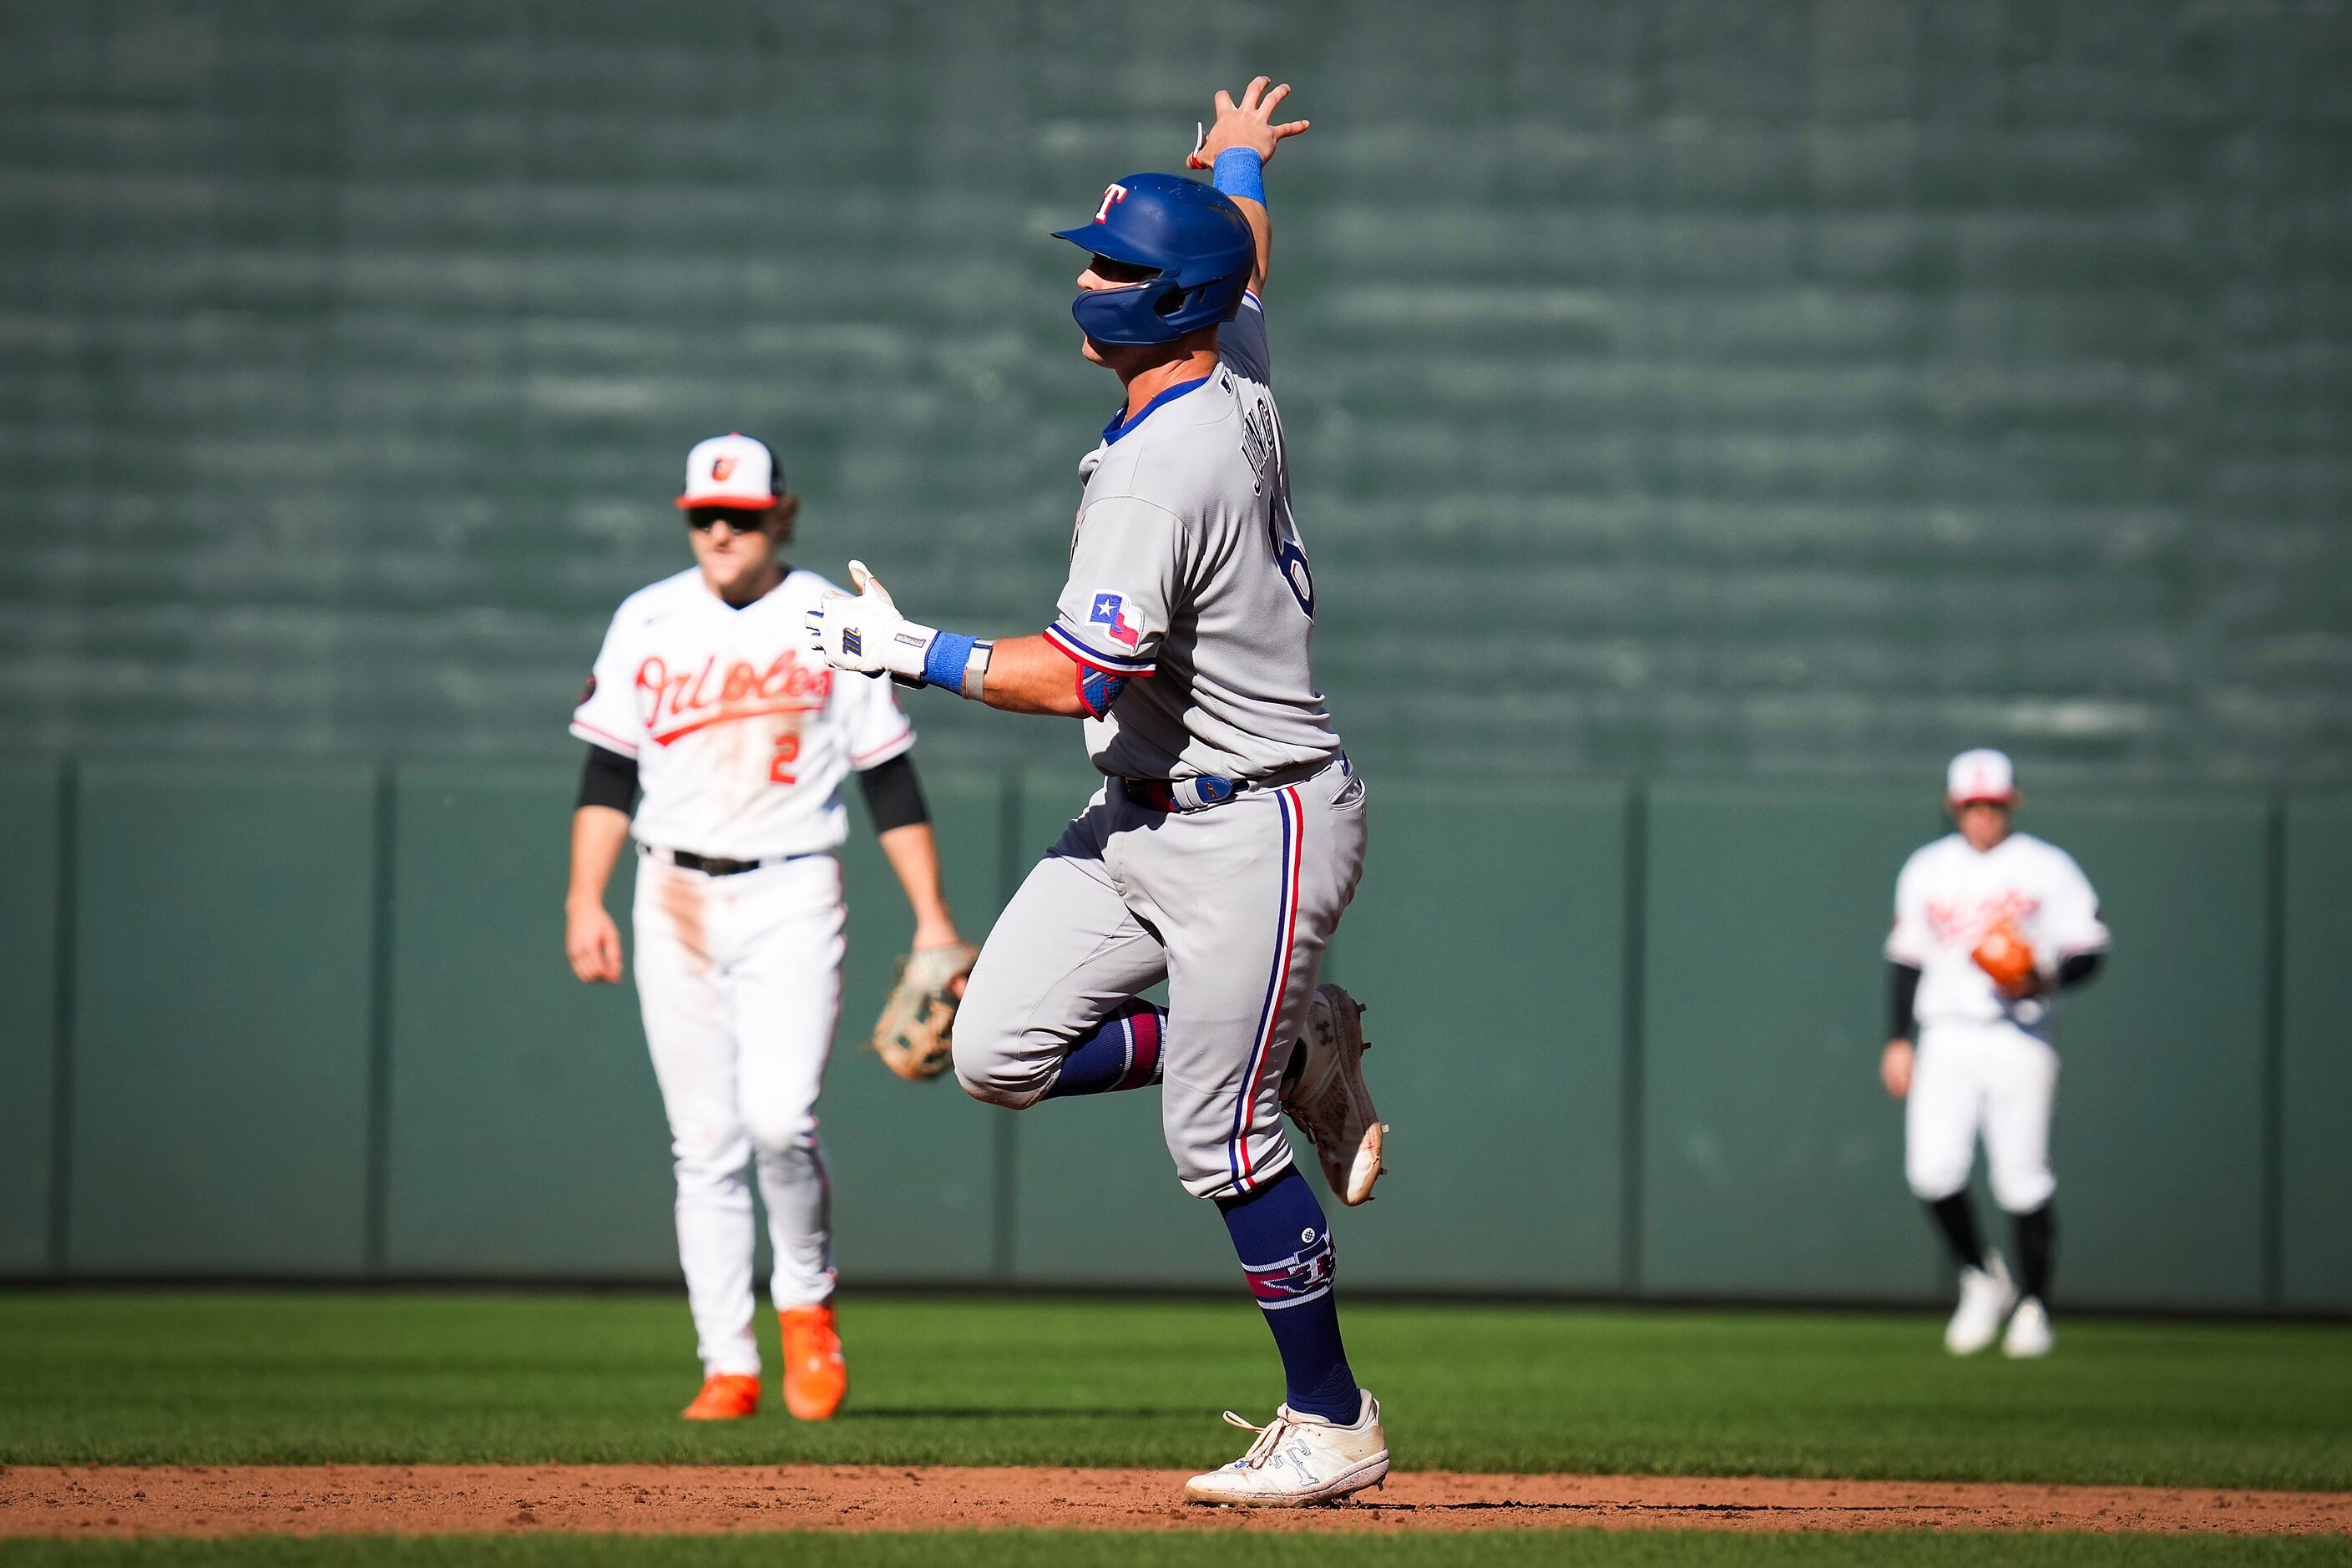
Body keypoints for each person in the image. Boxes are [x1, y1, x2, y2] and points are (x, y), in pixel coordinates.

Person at [802, 79, 1390, 1506]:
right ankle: (1285, 1037)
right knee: (995, 1050)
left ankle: (1331, 1415)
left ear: (1162, 303)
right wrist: (1234, 156)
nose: (1085, 278)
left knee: (1214, 1133)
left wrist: (902, 648)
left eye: (1114, 266)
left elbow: (1073, 673)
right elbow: (1244, 247)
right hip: (1139, 816)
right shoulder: (1225, 348)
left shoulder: (1159, 471)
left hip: (1258, 817)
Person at [564, 432, 970, 1420]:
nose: (719, 530)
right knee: (702, 1142)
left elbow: (887, 774)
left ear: (779, 517)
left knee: (780, 1121)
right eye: (703, 513)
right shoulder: (648, 618)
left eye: (740, 515)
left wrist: (932, 920)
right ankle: (726, 1363)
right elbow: (609, 770)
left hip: (793, 887)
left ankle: (805, 1308)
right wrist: (585, 897)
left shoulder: (828, 613)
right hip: (669, 891)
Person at [1881, 748, 2108, 1358]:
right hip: (1946, 1033)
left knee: (2021, 1179)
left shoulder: (2044, 867)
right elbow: (1906, 958)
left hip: (2020, 1032)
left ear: (2012, 804)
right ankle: (1981, 1277)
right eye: (1971, 805)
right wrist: (1897, 1039)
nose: (1982, 815)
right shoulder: (1927, 868)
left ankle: (2034, 1306)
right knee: (1931, 1171)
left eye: (1993, 805)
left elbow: (2089, 948)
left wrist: (2044, 978)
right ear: (1954, 807)